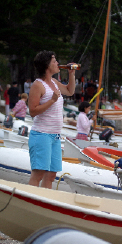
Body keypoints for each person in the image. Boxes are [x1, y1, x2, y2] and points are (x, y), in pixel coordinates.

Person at [28, 50, 76, 189]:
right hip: (41, 134)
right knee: (38, 174)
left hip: (55, 136)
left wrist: (71, 75)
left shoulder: (54, 82)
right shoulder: (38, 85)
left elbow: (70, 91)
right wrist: (52, 100)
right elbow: (32, 111)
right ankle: (31, 201)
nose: (57, 63)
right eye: (54, 61)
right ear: (47, 65)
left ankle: (43, 201)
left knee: (51, 175)